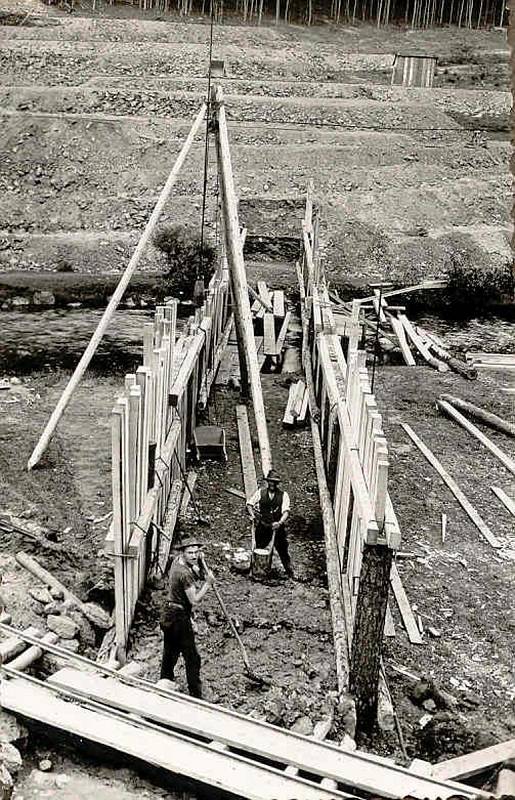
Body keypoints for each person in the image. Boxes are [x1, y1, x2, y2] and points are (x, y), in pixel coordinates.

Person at [159, 535, 215, 699]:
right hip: (178, 618)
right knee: (192, 657)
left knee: (170, 653)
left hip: (169, 613)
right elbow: (195, 600)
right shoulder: (183, 574)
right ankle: (195, 695)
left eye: (196, 552)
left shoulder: (177, 561)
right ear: (183, 553)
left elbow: (197, 572)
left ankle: (164, 684)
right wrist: (208, 584)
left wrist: (201, 563)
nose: (194, 556)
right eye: (190, 552)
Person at [246, 468, 293, 578]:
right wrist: (252, 515)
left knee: (282, 550)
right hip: (263, 526)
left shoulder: (283, 495)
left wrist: (280, 522)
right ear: (267, 482)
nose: (272, 484)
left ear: (277, 483)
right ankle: (257, 570)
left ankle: (290, 572)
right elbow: (249, 503)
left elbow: (286, 512)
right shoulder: (260, 493)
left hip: (277, 528)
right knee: (259, 549)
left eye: (275, 482)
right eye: (271, 481)